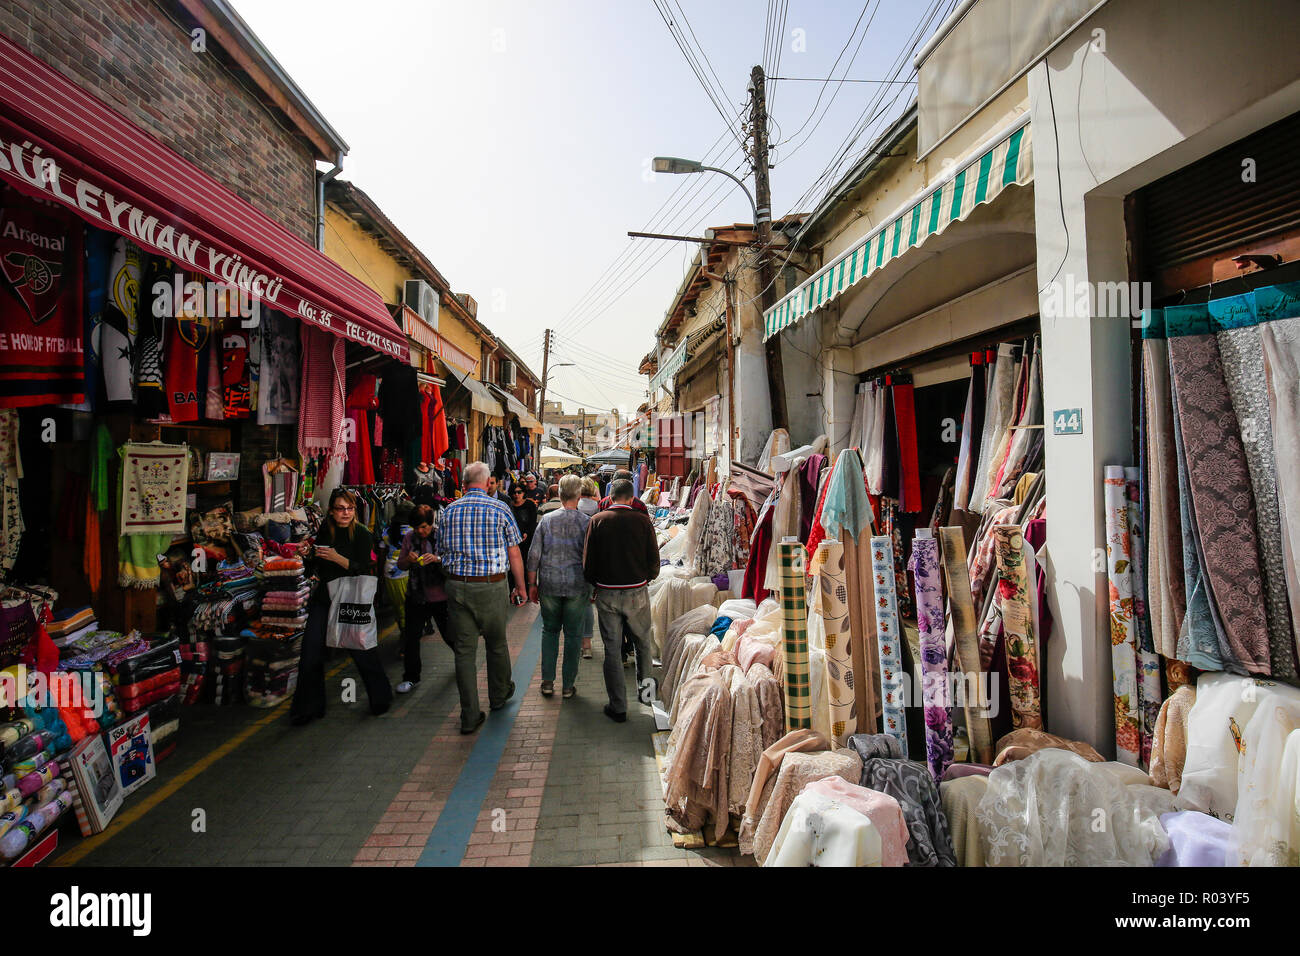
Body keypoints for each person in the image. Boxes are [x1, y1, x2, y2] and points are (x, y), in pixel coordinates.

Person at [437, 461, 526, 734]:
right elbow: (514, 553)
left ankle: (469, 715)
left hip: (458, 586)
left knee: (465, 652)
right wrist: (521, 587)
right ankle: (499, 695)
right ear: (488, 483)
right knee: (496, 643)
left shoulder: (448, 511)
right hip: (491, 586)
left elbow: (442, 551)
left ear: (463, 484)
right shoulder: (501, 509)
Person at [291, 488, 392, 726]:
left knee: (361, 649)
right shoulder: (326, 530)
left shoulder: (362, 534)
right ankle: (308, 708)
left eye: (349, 508)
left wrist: (338, 559)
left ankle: (381, 698)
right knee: (310, 653)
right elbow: (317, 563)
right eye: (340, 508)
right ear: (332, 511)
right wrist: (308, 553)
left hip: (351, 598)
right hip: (325, 598)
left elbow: (366, 569)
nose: (345, 513)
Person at [583, 478, 660, 723]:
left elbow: (588, 563)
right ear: (632, 497)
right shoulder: (643, 521)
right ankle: (647, 695)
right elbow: (654, 559)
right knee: (643, 644)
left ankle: (618, 706)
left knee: (612, 650)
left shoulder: (597, 521)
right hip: (636, 592)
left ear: (611, 496)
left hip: (607, 593)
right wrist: (645, 578)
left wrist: (596, 583)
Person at [526, 474, 591, 699]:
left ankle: (547, 681)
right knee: (573, 635)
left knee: (550, 632)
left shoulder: (547, 520)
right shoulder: (585, 522)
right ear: (579, 495)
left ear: (560, 494)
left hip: (550, 583)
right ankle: (568, 685)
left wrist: (531, 583)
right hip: (577, 585)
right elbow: (590, 558)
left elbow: (534, 555)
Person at [394, 504, 455, 694]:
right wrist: (408, 560)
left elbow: (453, 560)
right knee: (412, 637)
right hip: (416, 596)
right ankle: (411, 677)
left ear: (431, 524)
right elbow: (401, 565)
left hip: (441, 596)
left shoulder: (441, 536)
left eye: (424, 527)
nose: (421, 531)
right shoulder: (409, 538)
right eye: (417, 527)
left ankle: (463, 663)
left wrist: (436, 559)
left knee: (450, 635)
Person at [508, 484, 538, 595]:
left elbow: (532, 522)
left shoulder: (529, 505)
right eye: (515, 492)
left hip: (527, 540)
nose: (517, 495)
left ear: (523, 493)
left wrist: (526, 533)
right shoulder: (509, 505)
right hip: (513, 541)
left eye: (519, 492)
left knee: (525, 565)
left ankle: (525, 590)